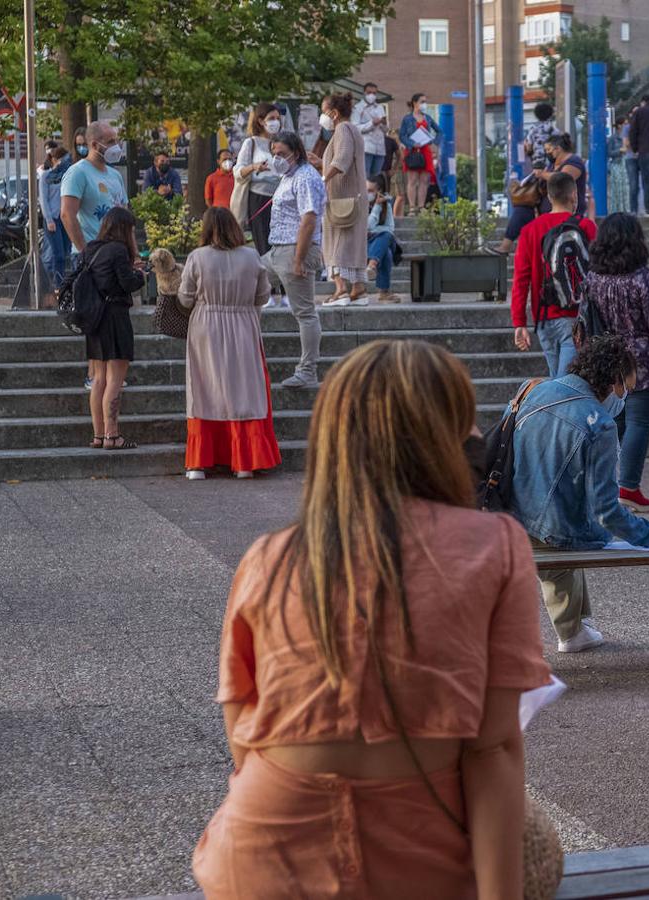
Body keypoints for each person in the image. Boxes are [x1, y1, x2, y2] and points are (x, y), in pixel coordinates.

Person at [193, 339, 551, 898]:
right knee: (538, 843)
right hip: (420, 853)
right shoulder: (497, 545)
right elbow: (493, 748)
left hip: (262, 855)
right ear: (444, 438)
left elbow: (242, 723)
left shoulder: (271, 555)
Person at [509, 335, 649, 653]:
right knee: (576, 528)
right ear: (614, 381)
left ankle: (575, 624)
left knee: (557, 514)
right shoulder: (599, 424)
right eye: (627, 386)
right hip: (552, 529)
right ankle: (571, 632)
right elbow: (607, 511)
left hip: (508, 514)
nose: (625, 395)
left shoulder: (532, 388)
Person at [585, 213, 649, 510]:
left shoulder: (592, 279)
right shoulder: (643, 278)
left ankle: (606, 487)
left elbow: (585, 319)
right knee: (640, 423)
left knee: (616, 424)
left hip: (608, 359)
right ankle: (628, 487)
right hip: (645, 361)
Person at [178, 207, 281, 480]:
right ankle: (244, 462)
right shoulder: (251, 257)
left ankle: (199, 463)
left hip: (206, 326)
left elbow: (185, 298)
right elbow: (262, 296)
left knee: (204, 388)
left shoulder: (197, 257)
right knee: (244, 389)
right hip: (243, 325)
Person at [509, 172, 597, 377]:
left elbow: (521, 280)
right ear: (574, 195)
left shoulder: (530, 230)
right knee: (564, 385)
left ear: (549, 197)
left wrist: (519, 322)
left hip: (543, 319)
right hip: (577, 316)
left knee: (558, 380)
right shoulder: (585, 226)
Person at [80, 208, 145, 451]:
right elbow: (128, 283)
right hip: (115, 318)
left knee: (98, 380)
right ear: (124, 228)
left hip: (94, 320)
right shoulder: (119, 250)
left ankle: (98, 435)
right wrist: (140, 274)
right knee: (115, 381)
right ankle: (112, 435)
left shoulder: (90, 249)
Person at [265, 131, 326, 388]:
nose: (276, 158)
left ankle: (307, 370)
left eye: (281, 153)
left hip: (294, 249)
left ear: (296, 153)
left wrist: (299, 259)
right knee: (246, 280)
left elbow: (309, 219)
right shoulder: (287, 176)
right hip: (277, 249)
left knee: (304, 313)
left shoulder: (305, 177)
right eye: (273, 154)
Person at [319, 92, 369, 307]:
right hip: (355, 197)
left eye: (324, 112)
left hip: (342, 198)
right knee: (354, 243)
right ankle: (358, 289)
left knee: (335, 242)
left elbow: (341, 161)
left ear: (334, 113)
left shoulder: (342, 129)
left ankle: (341, 290)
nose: (322, 117)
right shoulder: (353, 129)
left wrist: (322, 179)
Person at [59, 120, 128, 253]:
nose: (116, 146)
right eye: (110, 142)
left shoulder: (115, 175)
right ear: (95, 145)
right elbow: (67, 214)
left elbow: (125, 217)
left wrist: (133, 254)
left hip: (116, 253)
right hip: (93, 255)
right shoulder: (77, 173)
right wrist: (85, 253)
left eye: (116, 141)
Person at [234, 101, 285, 255]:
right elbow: (238, 171)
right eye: (271, 118)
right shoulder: (251, 143)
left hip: (280, 198)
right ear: (261, 121)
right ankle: (265, 277)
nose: (276, 122)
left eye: (277, 118)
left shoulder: (279, 143)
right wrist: (254, 167)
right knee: (264, 244)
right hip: (259, 199)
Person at [398, 93, 441, 216]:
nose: (424, 104)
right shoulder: (407, 119)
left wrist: (434, 142)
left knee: (424, 180)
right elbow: (402, 136)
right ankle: (412, 208)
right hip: (412, 151)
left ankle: (421, 207)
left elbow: (439, 131)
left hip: (425, 150)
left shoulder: (428, 118)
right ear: (414, 103)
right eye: (422, 101)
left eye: (425, 101)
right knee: (412, 179)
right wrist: (411, 143)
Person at [39, 145, 72, 295]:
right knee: (57, 253)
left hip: (65, 217)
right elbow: (44, 200)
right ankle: (58, 284)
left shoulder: (67, 175)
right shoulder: (46, 176)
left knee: (66, 251)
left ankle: (63, 281)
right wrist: (48, 219)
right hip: (52, 218)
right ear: (53, 160)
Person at [365, 173, 399, 304]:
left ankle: (372, 264)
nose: (368, 193)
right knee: (387, 253)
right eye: (366, 190)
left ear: (379, 192)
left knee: (386, 236)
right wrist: (376, 208)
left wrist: (374, 231)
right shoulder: (361, 204)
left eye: (371, 191)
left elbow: (390, 228)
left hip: (380, 241)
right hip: (366, 244)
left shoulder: (387, 206)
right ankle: (383, 292)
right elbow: (367, 226)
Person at [544, 134, 588, 216]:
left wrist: (542, 174)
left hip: (570, 214)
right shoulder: (552, 164)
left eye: (548, 149)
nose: (547, 153)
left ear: (558, 148)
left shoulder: (574, 161)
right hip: (551, 213)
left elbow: (562, 179)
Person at [354, 82, 388, 180]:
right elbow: (356, 128)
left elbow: (386, 130)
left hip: (380, 148)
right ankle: (365, 195)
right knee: (364, 176)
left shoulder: (380, 107)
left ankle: (374, 195)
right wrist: (372, 123)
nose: (372, 95)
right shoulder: (357, 108)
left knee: (376, 178)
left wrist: (384, 124)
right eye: (369, 92)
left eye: (374, 93)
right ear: (364, 93)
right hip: (366, 147)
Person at [524, 102, 561, 170]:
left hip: (536, 163)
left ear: (536, 114)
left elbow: (529, 148)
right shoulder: (554, 130)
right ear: (550, 114)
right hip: (550, 163)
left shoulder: (532, 130)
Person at [621, 111, 639, 213]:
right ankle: (633, 209)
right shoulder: (627, 127)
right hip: (631, 157)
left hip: (642, 157)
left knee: (644, 184)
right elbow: (626, 143)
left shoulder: (643, 126)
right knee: (633, 184)